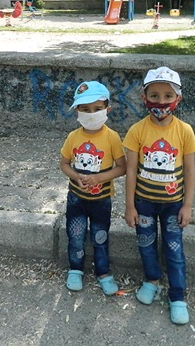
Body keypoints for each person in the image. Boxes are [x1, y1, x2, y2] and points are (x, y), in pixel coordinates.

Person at [123, 65, 195, 326]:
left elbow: (189, 170)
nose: (161, 102)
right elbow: (130, 170)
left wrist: (187, 205)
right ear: (144, 98)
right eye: (154, 95)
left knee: (174, 249)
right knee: (146, 244)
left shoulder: (185, 131)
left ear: (178, 98)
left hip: (173, 205)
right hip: (143, 204)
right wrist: (129, 206)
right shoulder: (136, 131)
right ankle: (151, 280)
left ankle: (177, 296)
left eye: (168, 96)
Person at [60, 79, 125, 296]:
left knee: (100, 236)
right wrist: (75, 176)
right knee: (75, 235)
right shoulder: (73, 137)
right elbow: (64, 164)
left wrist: (100, 178)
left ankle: (103, 272)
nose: (91, 114)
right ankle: (75, 269)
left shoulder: (112, 137)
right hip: (76, 200)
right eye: (85, 109)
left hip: (101, 200)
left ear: (107, 109)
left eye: (97, 109)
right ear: (77, 111)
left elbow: (122, 167)